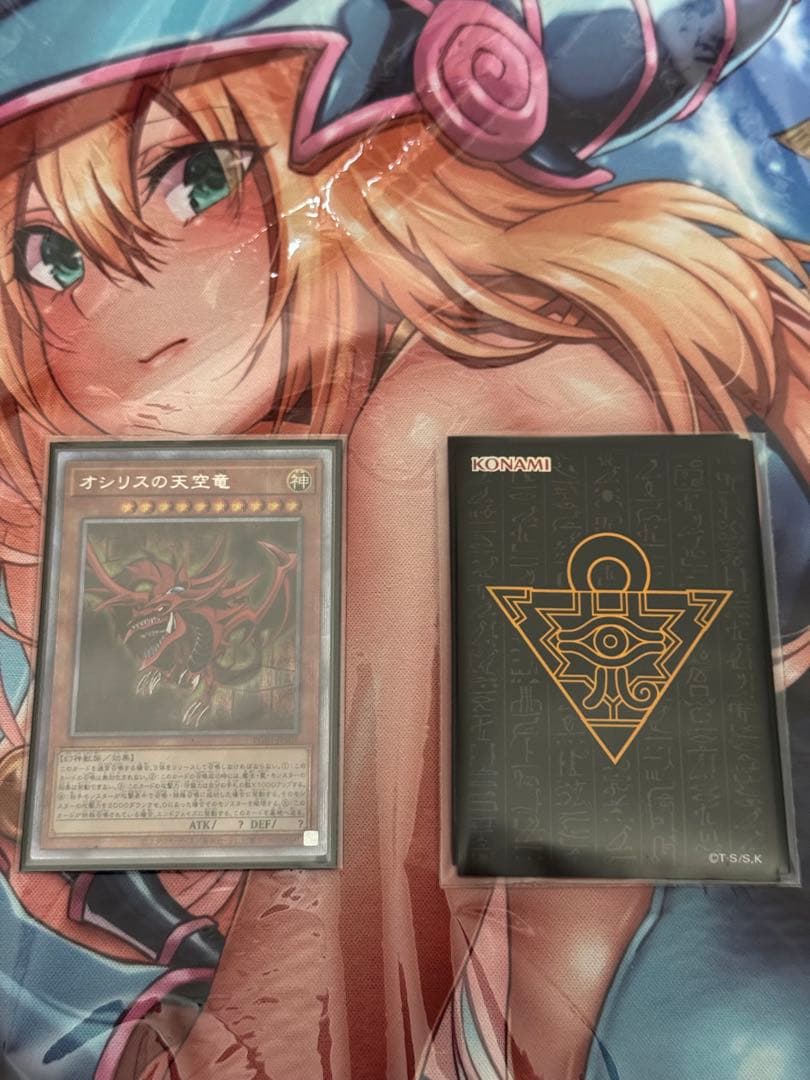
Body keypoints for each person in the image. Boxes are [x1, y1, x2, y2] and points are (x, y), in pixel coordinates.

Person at [0, 1, 807, 1076]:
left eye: (198, 179)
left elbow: (564, 949)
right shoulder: (162, 492)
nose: (122, 305)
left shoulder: (517, 403)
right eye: (52, 257)